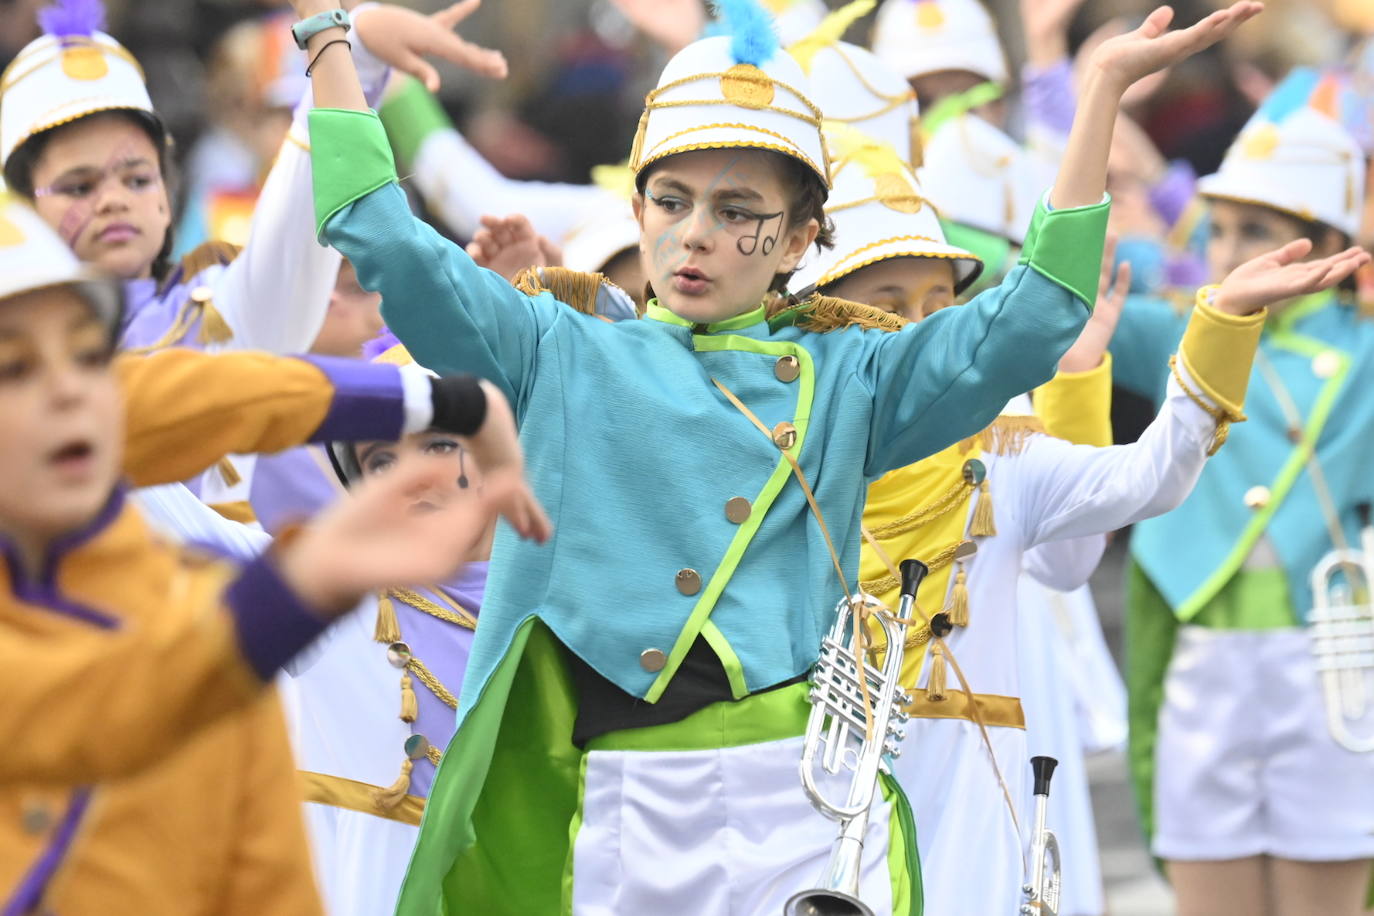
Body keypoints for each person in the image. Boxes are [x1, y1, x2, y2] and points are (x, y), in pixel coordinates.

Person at [297, 0, 1261, 910]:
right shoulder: (556, 346)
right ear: (636, 214)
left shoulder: (852, 375)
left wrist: (1095, 96)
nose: (695, 236)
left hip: (797, 801)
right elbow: (379, 231)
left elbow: (1033, 316)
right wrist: (327, 34)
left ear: (800, 238)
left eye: (737, 210)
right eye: (670, 201)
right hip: (606, 804)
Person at [793, 126, 1368, 915]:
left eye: (939, 302)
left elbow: (1134, 490)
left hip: (985, 778)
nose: (922, 325)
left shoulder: (996, 443)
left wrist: (1212, 325)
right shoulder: (770, 450)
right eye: (889, 302)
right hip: (812, 777)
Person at [0, 190, 546, 915]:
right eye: (14, 368)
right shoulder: (267, 608)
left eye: (87, 352)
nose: (70, 391)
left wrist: (438, 400)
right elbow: (97, 702)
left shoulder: (183, 589)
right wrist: (299, 588)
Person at [0, 0, 498, 527]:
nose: (113, 200)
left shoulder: (220, 305)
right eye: (79, 186)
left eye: (137, 178)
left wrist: (352, 54)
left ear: (167, 195)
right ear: (23, 208)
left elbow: (301, 193)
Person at [1115, 69, 1374, 916]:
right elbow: (1066, 280)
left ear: (1328, 240)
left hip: (1331, 656)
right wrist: (1072, 91)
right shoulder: (1179, 322)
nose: (1225, 253)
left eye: (1254, 230)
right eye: (1218, 228)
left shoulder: (1365, 345)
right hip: (1201, 658)